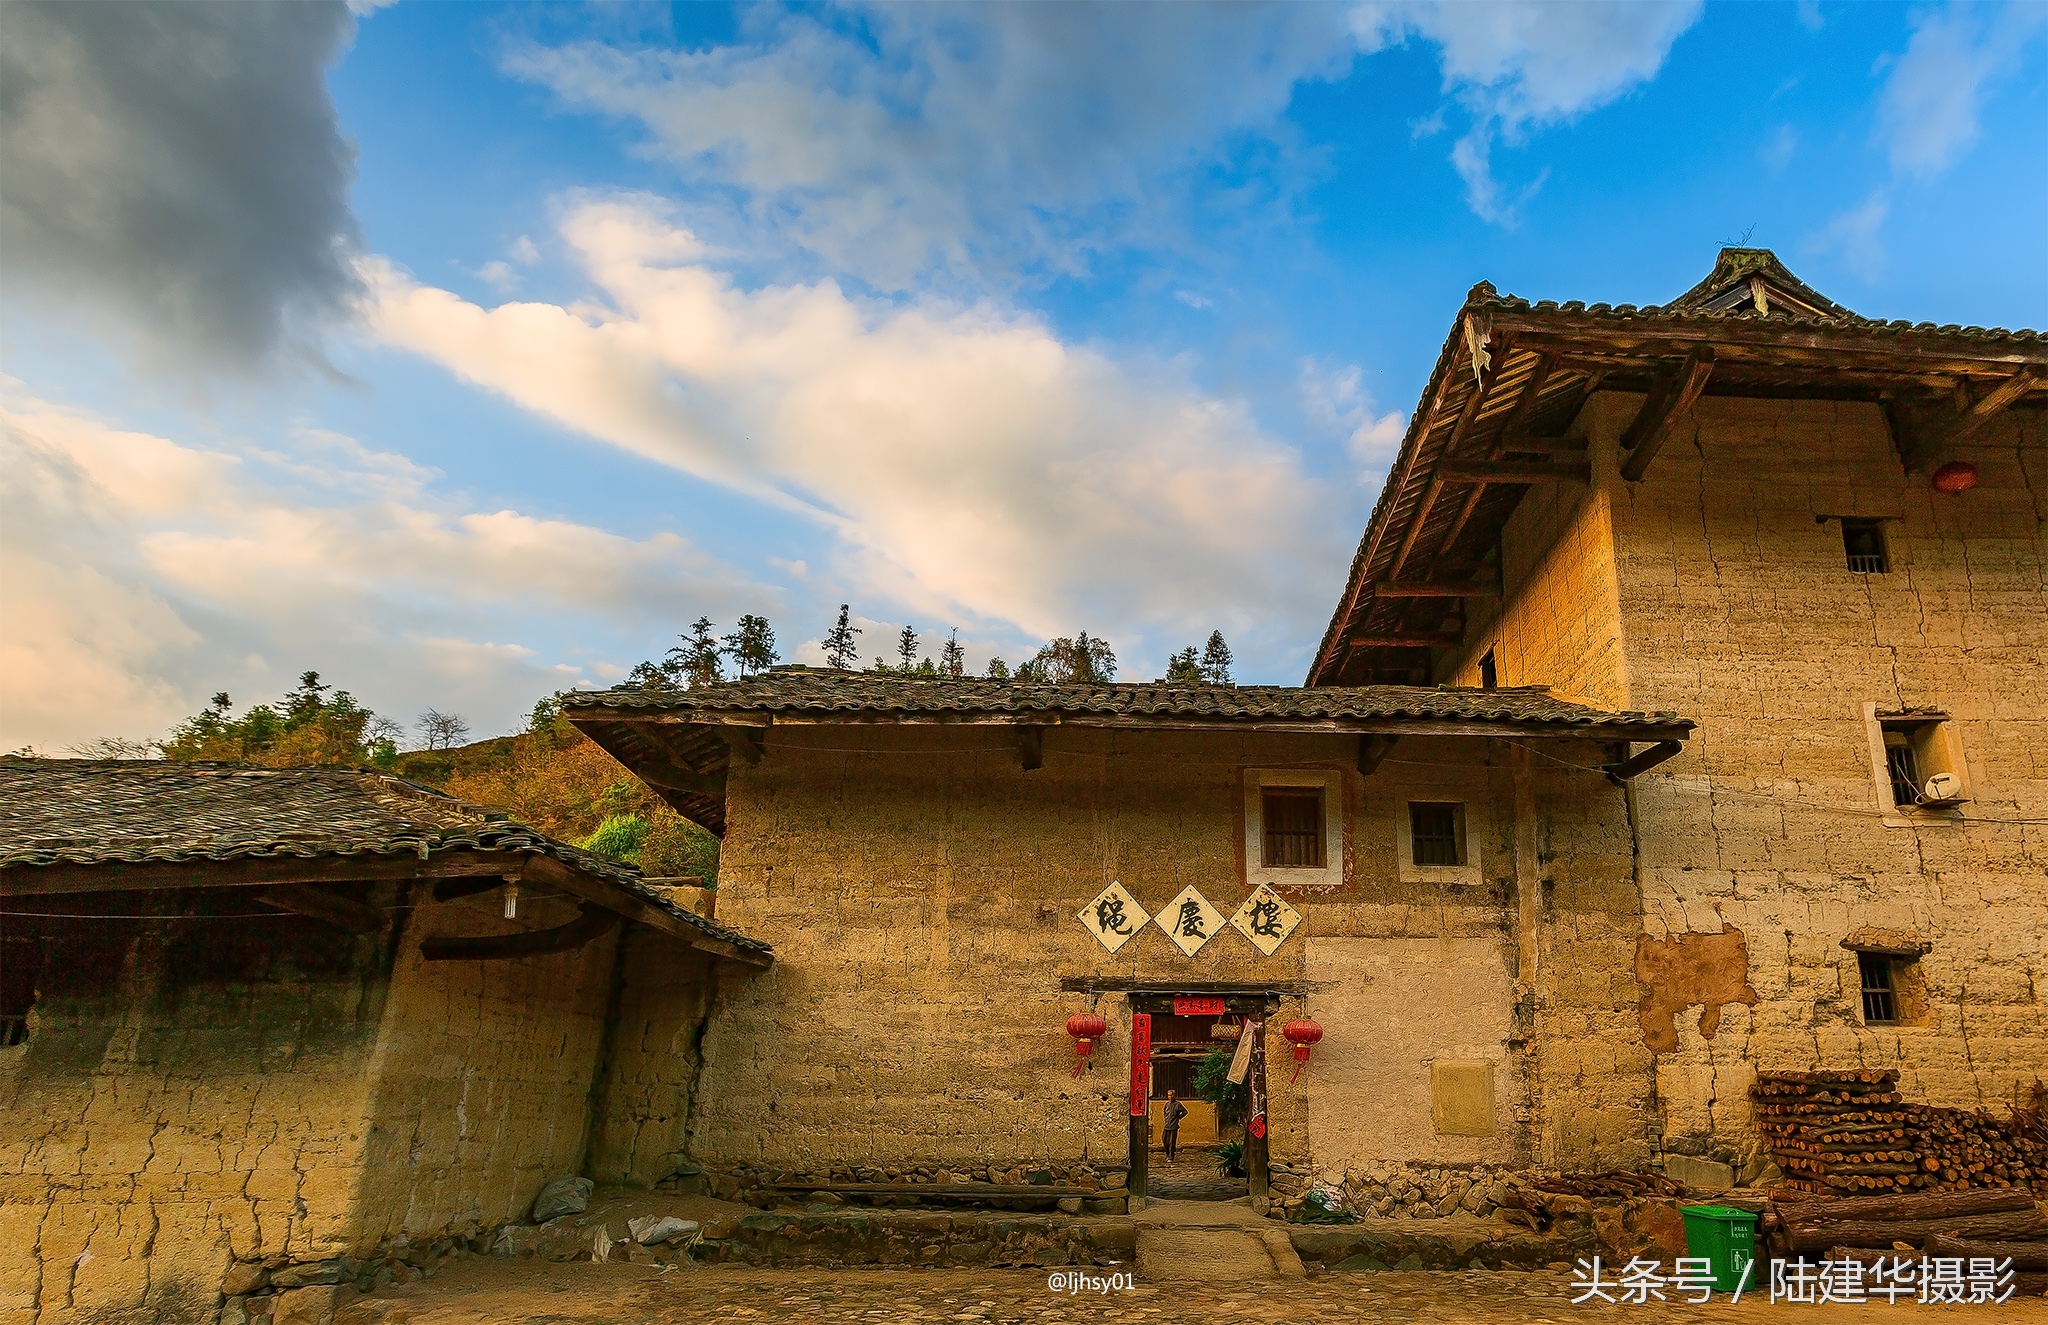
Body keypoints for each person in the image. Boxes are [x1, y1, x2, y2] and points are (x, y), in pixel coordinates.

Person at [1161, 1089, 1188, 1164]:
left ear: (1174, 1095)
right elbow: (1164, 1112)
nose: (1170, 1096)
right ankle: (1167, 1154)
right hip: (1166, 1125)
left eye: (1172, 1095)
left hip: (1174, 1126)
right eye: (1169, 1095)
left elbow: (1185, 1112)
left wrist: (1179, 1117)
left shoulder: (1178, 1104)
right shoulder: (1167, 1104)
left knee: (1171, 1142)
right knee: (1164, 1140)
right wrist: (1166, 1118)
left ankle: (1171, 1156)